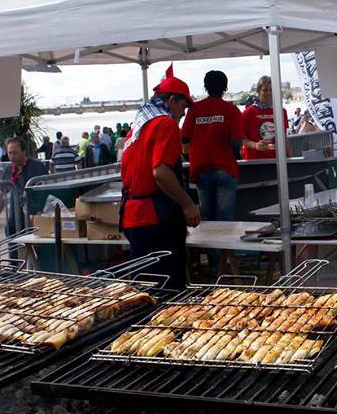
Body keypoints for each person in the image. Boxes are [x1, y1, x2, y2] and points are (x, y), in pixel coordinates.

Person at [120, 67, 201, 289]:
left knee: (143, 291)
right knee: (167, 292)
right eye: (184, 106)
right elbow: (161, 172)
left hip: (133, 216)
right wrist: (188, 205)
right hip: (155, 219)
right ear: (172, 101)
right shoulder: (165, 124)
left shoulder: (138, 125)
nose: (184, 114)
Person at [182, 70, 243, 276]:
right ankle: (225, 268)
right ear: (225, 87)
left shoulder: (194, 109)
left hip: (201, 170)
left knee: (207, 221)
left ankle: (214, 266)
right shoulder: (231, 110)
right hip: (225, 169)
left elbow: (183, 138)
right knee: (225, 222)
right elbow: (237, 141)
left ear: (205, 86)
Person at [2, 137, 48, 236]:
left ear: (24, 152)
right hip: (14, 218)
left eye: (15, 153)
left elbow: (46, 191)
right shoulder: (8, 170)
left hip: (33, 218)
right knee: (13, 247)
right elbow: (2, 193)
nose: (12, 157)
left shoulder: (38, 167)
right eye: (9, 153)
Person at [241, 76, 292, 159]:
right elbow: (241, 139)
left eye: (271, 90)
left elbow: (284, 138)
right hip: (254, 162)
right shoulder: (248, 112)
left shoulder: (281, 111)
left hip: (277, 161)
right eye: (265, 90)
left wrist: (290, 159)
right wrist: (255, 145)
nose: (268, 93)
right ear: (258, 91)